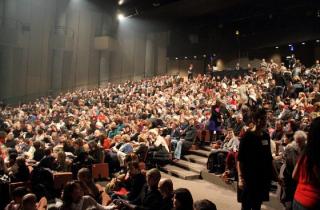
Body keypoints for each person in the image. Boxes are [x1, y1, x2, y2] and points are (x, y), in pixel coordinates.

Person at [237, 108, 274, 210]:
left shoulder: (266, 136)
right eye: (262, 119)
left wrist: (276, 176)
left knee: (257, 206)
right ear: (255, 120)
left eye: (265, 118)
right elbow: (240, 160)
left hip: (262, 178)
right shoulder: (247, 136)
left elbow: (269, 158)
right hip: (248, 178)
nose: (264, 121)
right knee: (246, 206)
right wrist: (240, 178)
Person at [292, 117, 320, 210]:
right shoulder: (316, 154)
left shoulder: (305, 152)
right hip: (313, 201)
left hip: (297, 199)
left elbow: (294, 175)